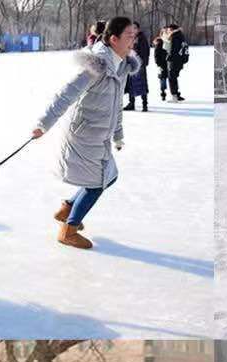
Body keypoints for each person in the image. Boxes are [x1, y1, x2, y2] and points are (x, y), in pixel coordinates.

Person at [33, 17, 140, 250]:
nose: (134, 40)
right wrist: (44, 123)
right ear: (114, 39)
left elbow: (116, 105)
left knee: (109, 177)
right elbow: (66, 94)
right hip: (83, 135)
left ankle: (68, 208)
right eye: (129, 36)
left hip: (99, 135)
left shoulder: (121, 65)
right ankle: (69, 229)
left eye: (135, 35)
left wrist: (118, 134)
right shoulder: (97, 64)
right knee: (98, 183)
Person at [123, 22, 150, 111]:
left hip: (140, 64)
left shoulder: (141, 38)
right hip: (131, 64)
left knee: (142, 85)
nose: (133, 30)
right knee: (131, 84)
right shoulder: (131, 38)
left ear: (138, 29)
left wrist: (143, 63)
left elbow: (145, 52)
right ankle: (131, 103)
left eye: (135, 28)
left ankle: (144, 104)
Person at [165, 24, 188, 102]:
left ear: (172, 29)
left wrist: (168, 57)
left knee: (172, 78)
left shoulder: (174, 37)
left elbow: (173, 50)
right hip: (179, 61)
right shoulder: (181, 36)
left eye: (169, 30)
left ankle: (174, 96)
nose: (168, 31)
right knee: (174, 78)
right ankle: (177, 94)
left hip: (174, 61)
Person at [152, 34, 169, 101]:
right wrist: (158, 64)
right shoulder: (161, 43)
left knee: (163, 78)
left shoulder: (166, 42)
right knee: (163, 78)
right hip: (163, 64)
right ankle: (163, 93)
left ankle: (163, 92)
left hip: (165, 63)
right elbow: (156, 55)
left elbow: (156, 55)